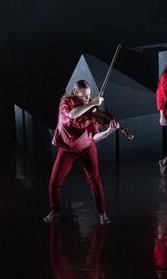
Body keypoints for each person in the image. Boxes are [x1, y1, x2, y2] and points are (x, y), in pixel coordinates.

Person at [44, 80, 119, 225]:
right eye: (84, 96)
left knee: (94, 179)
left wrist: (109, 132)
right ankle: (54, 212)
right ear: (75, 93)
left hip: (86, 148)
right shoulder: (66, 103)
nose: (88, 98)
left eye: (89, 96)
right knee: (54, 183)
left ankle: (102, 214)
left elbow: (94, 137)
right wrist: (92, 104)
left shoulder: (92, 112)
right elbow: (72, 115)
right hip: (67, 149)